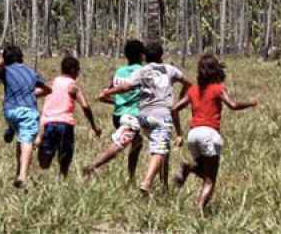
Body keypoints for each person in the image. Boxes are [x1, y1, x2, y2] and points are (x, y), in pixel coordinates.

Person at [99, 42, 191, 194]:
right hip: (161, 116)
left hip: (143, 116)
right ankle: (147, 182)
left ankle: (164, 186)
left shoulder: (142, 71)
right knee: (160, 151)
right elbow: (188, 84)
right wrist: (181, 99)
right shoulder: (169, 69)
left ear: (145, 56)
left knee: (162, 150)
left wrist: (109, 92)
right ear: (161, 55)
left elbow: (126, 87)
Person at [171, 54, 257, 211]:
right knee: (210, 180)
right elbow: (233, 105)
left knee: (203, 170)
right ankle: (199, 209)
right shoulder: (218, 88)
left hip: (193, 135)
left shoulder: (193, 89)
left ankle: (188, 168)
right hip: (210, 135)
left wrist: (179, 133)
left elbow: (174, 109)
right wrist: (251, 103)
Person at [0, 45, 51, 188]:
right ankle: (22, 177)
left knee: (21, 138)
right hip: (27, 111)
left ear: (6, 59)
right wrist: (32, 94)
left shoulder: (6, 71)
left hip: (10, 112)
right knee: (27, 141)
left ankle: (11, 131)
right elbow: (47, 89)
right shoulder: (31, 73)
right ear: (21, 57)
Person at [83, 39, 145, 181]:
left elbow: (105, 94)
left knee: (137, 143)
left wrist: (118, 103)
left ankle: (131, 178)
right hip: (131, 116)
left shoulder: (119, 72)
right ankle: (93, 166)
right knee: (119, 145)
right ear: (142, 55)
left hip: (117, 115)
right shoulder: (141, 72)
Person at [35, 55, 101, 177]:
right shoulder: (73, 86)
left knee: (44, 161)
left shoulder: (51, 83)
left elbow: (34, 94)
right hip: (65, 125)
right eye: (78, 70)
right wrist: (93, 126)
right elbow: (85, 106)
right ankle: (61, 178)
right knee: (65, 157)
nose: (78, 73)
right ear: (73, 70)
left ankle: (45, 176)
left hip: (48, 124)